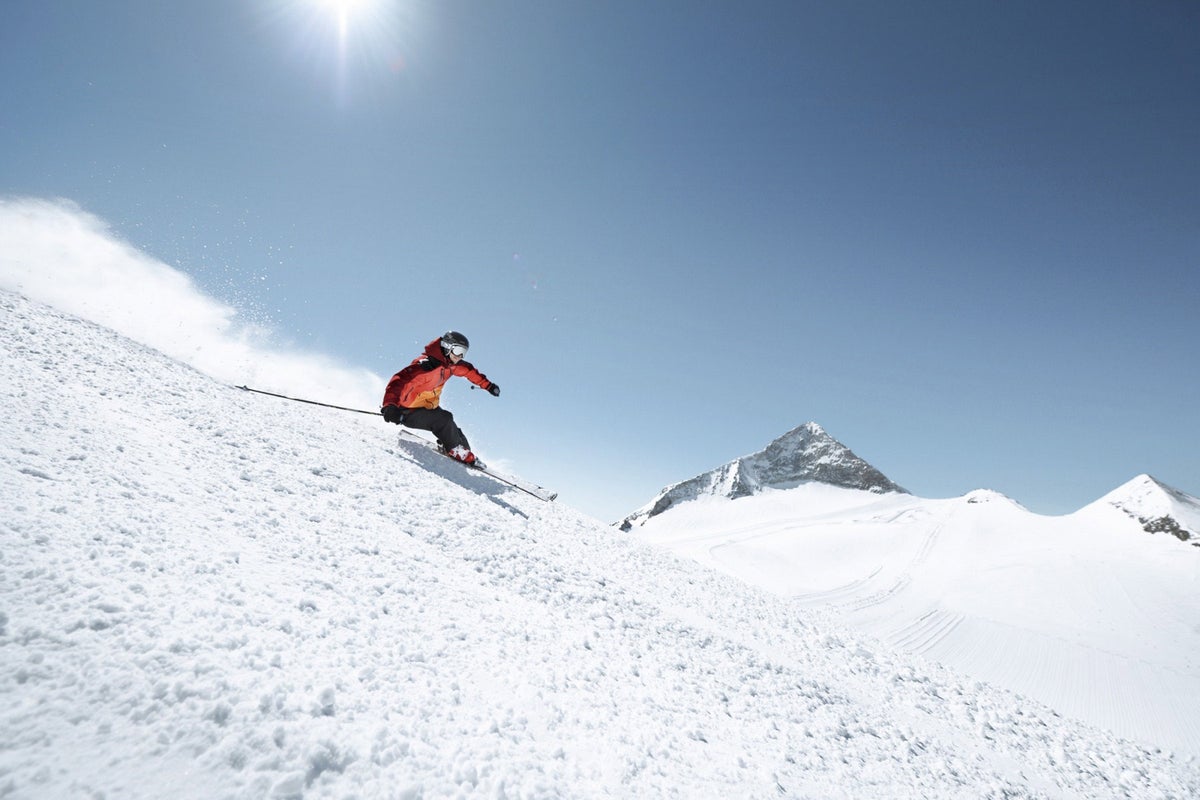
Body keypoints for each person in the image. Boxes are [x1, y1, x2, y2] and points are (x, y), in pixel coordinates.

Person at [380, 331, 500, 465]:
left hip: (426, 408)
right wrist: (390, 406)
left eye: (463, 353)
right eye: (458, 350)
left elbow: (469, 371)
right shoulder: (425, 365)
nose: (460, 356)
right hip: (406, 411)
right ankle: (454, 450)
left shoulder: (451, 365)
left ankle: (461, 451)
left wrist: (488, 386)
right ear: (447, 347)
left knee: (455, 432)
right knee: (444, 420)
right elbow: (399, 381)